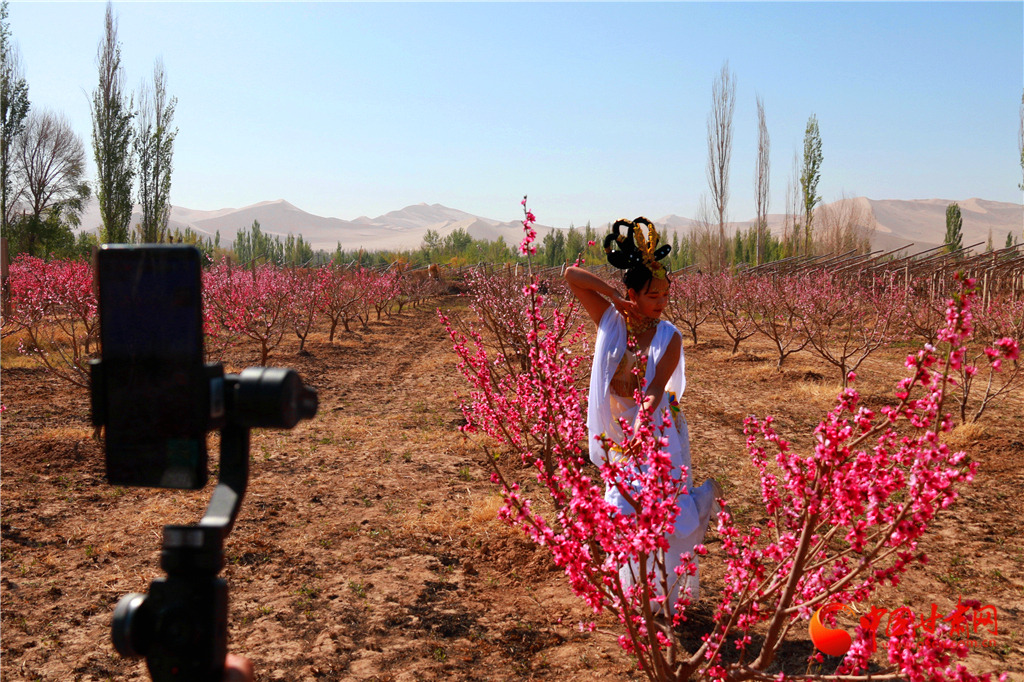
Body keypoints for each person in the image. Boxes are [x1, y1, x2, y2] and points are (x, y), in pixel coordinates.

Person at [564, 217, 720, 607]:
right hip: (620, 434)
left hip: (657, 432)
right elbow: (571, 276)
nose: (662, 303)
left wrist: (642, 427)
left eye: (666, 295)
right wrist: (613, 298)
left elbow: (655, 388)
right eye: (653, 295)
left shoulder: (670, 337)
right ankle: (632, 592)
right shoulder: (611, 321)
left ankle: (664, 598)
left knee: (663, 510)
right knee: (625, 508)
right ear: (632, 293)